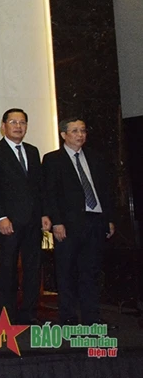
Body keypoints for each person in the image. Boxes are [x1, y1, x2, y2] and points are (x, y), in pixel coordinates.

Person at [42, 117, 115, 325]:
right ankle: (68, 317)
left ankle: (92, 317)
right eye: (74, 131)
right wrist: (56, 221)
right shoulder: (52, 159)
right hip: (68, 224)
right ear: (63, 134)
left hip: (95, 221)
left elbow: (105, 191)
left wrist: (108, 219)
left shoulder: (95, 157)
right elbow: (50, 193)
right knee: (66, 272)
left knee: (90, 272)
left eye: (83, 130)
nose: (80, 134)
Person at [0, 108, 51, 325]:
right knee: (8, 268)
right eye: (13, 122)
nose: (18, 126)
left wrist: (44, 214)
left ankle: (29, 312)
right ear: (3, 126)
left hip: (33, 220)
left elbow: (39, 187)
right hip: (9, 221)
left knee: (33, 267)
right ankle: (7, 314)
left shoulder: (33, 151)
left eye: (22, 122)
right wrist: (0, 217)